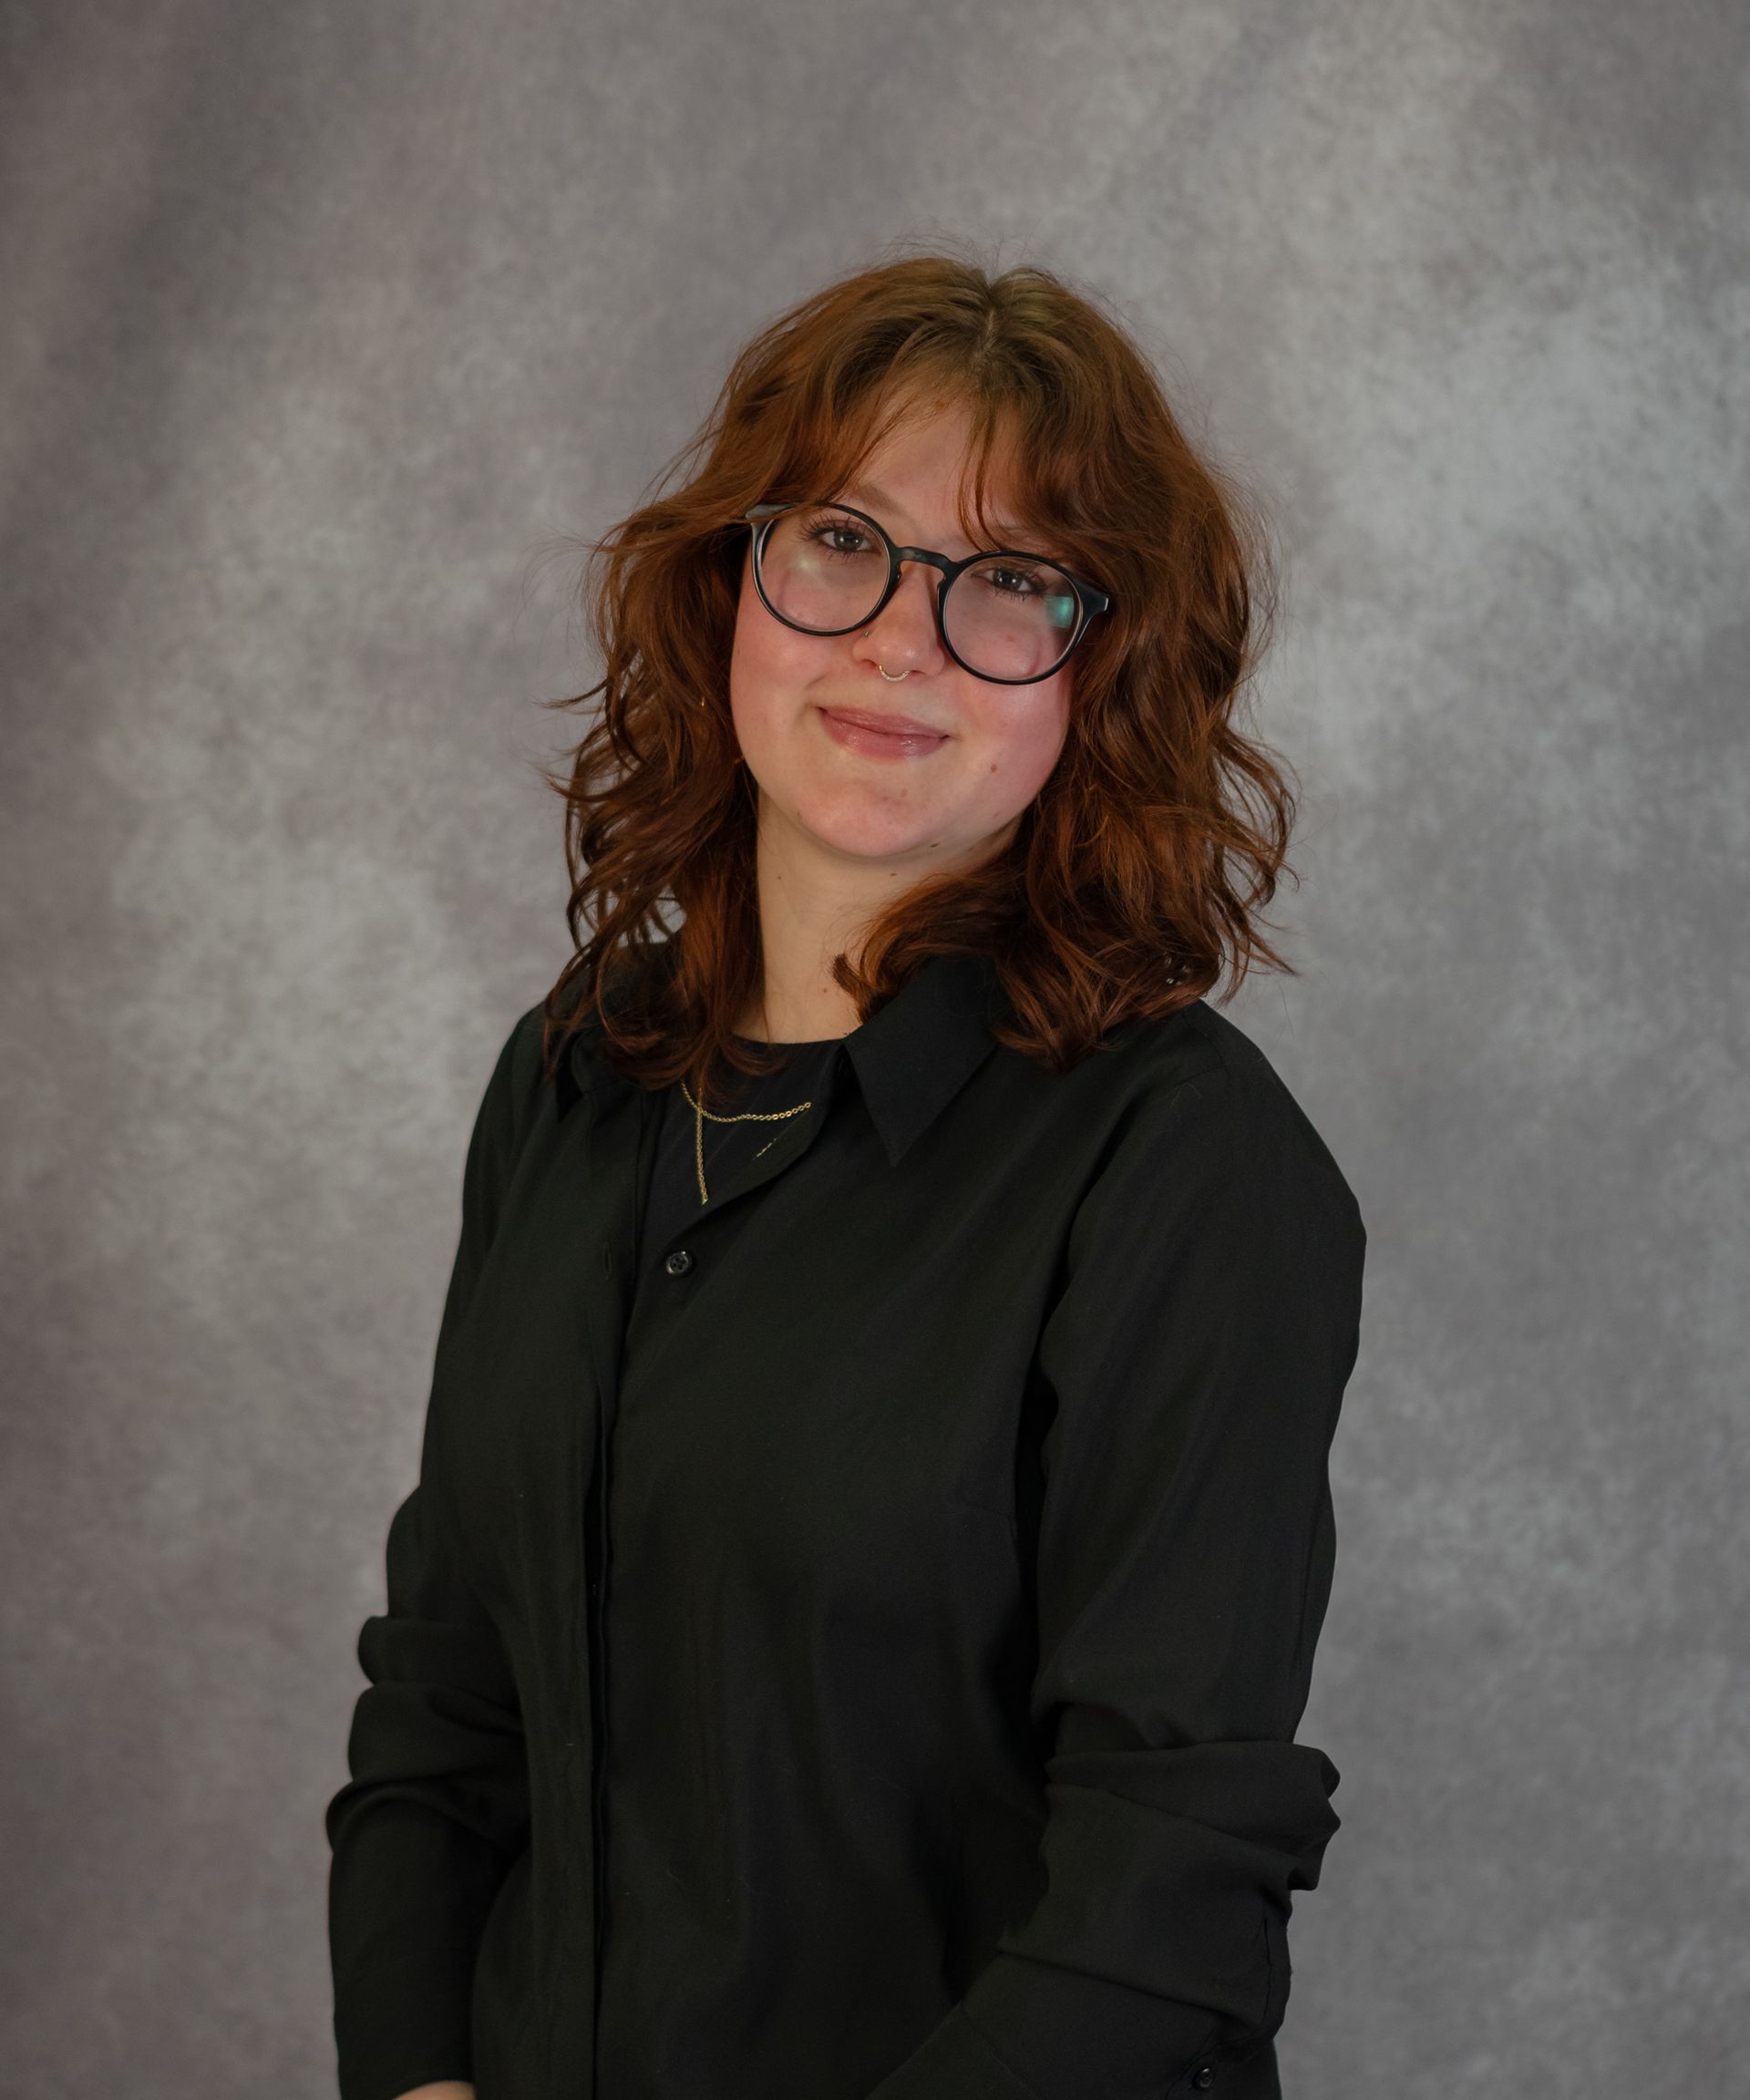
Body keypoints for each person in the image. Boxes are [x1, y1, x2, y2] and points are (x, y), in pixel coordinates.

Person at [324, 252, 1368, 2100]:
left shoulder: (1185, 1164)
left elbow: (1169, 1884)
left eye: (1013, 580)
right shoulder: (571, 1082)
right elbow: (446, 1706)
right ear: (732, 580)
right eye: (844, 541)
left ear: (1098, 671)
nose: (901, 638)